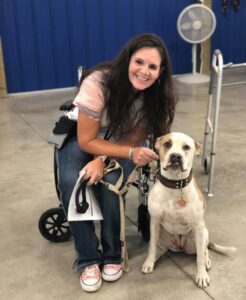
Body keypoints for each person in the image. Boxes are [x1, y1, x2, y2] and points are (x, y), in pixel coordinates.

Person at [57, 33, 177, 293]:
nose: (144, 71)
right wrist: (99, 156)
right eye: (139, 62)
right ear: (127, 60)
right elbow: (87, 140)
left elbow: (132, 139)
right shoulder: (99, 82)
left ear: (161, 71)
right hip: (82, 135)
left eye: (152, 67)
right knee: (71, 181)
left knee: (110, 182)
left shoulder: (156, 98)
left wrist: (102, 160)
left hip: (120, 142)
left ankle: (113, 254)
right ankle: (88, 259)